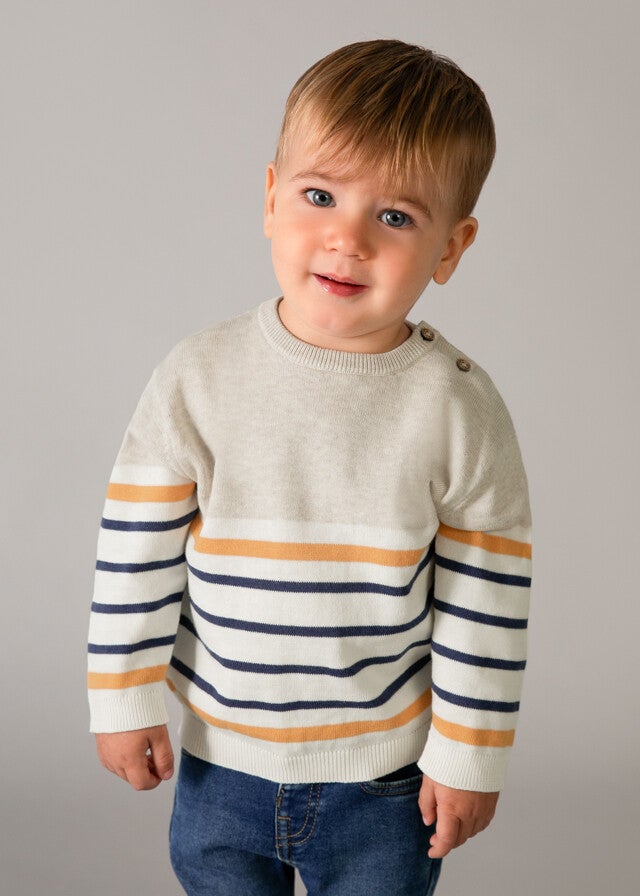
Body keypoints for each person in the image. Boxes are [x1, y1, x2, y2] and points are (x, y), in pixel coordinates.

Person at [88, 39, 532, 896]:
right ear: (270, 197)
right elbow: (135, 552)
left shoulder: (457, 407)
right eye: (320, 196)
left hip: (384, 781)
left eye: (395, 217)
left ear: (451, 246)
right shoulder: (198, 376)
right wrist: (123, 696)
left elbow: (487, 597)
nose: (346, 238)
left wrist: (470, 754)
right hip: (221, 765)